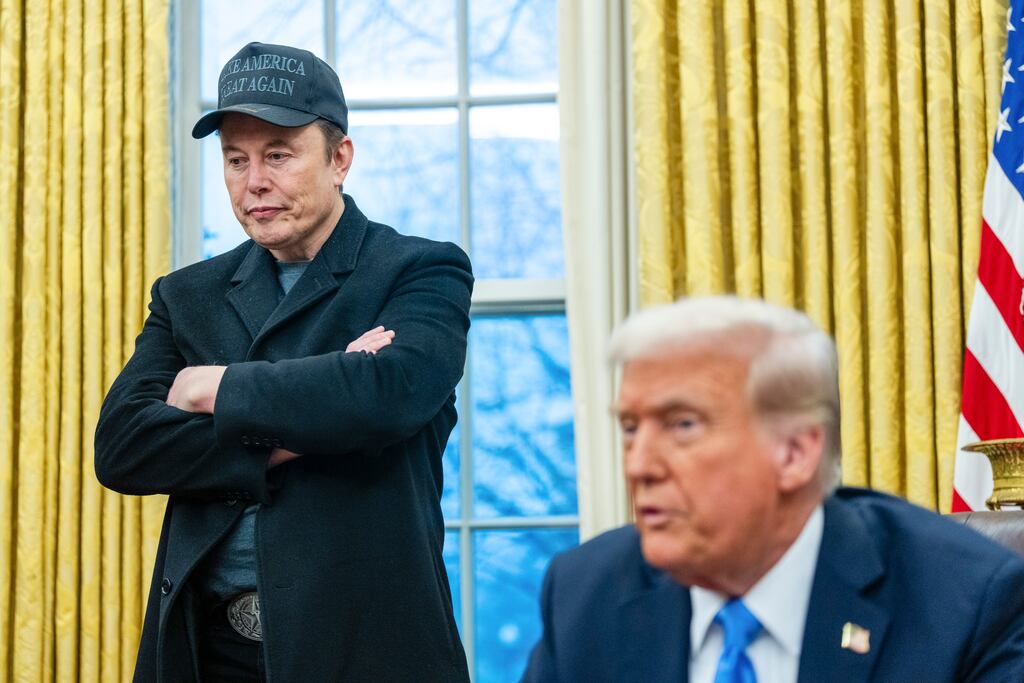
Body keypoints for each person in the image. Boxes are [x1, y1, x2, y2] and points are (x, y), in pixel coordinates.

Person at [95, 42, 471, 682]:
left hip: (367, 646)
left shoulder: (420, 269)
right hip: (206, 649)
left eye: (278, 155)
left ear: (340, 158)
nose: (254, 182)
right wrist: (317, 416)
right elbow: (124, 449)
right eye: (236, 160)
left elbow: (391, 393)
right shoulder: (187, 294)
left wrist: (207, 388)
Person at [521, 295, 1024, 683]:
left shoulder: (962, 601)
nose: (639, 463)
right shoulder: (588, 593)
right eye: (631, 427)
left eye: (683, 425)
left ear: (796, 452)